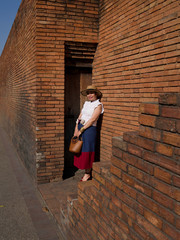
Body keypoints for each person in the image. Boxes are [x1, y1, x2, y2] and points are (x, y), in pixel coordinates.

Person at [73, 85, 104, 181]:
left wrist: (81, 130)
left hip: (89, 130)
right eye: (88, 93)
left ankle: (87, 174)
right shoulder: (86, 103)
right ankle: (85, 171)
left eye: (91, 93)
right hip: (80, 127)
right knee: (80, 149)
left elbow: (92, 120)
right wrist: (76, 130)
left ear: (96, 94)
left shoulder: (98, 105)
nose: (89, 95)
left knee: (88, 150)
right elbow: (80, 117)